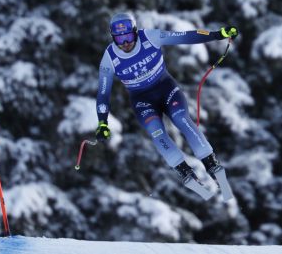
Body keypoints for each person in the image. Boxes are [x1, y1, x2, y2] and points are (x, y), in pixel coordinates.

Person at [95, 12, 238, 199]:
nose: (125, 43)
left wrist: (217, 34)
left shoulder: (150, 37)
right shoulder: (109, 57)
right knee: (156, 131)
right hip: (142, 100)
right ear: (113, 38)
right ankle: (184, 172)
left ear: (136, 32)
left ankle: (211, 164)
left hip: (166, 89)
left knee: (180, 118)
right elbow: (103, 91)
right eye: (119, 39)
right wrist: (102, 122)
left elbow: (186, 36)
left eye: (129, 37)